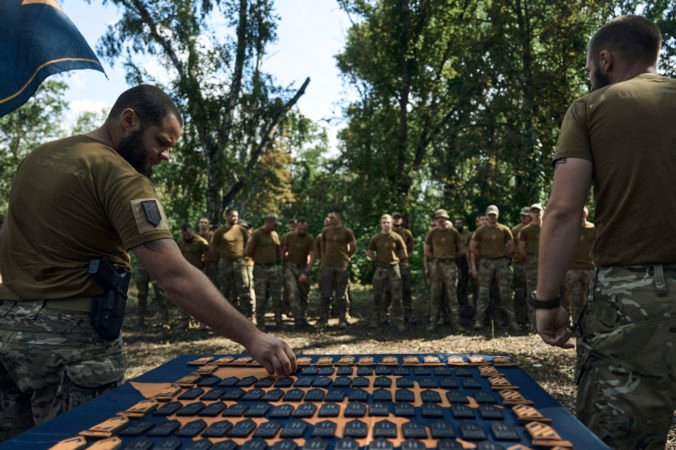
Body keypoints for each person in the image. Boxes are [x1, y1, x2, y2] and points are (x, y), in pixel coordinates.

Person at [0, 85, 295, 442]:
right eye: (161, 142)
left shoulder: (37, 158)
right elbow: (174, 275)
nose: (165, 154)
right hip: (71, 348)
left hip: (8, 337)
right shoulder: (121, 176)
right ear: (129, 120)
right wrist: (253, 338)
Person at [534, 16, 675, 449]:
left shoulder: (591, 108)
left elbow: (562, 212)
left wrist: (547, 302)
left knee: (615, 439)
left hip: (635, 299)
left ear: (605, 60)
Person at [470, 205, 519, 333]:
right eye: (490, 215)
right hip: (486, 263)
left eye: (494, 215)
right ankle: (479, 321)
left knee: (505, 293)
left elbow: (511, 245)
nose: (492, 217)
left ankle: (512, 321)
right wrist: (482, 257)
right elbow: (473, 246)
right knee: (483, 293)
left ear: (498, 215)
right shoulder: (480, 230)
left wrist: (505, 257)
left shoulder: (504, 229)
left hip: (501, 262)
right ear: (486, 216)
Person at [424, 209, 465, 332]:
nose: (441, 220)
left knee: (452, 295)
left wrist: (451, 258)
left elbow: (462, 250)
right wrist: (436, 259)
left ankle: (455, 322)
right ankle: (434, 322)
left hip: (450, 266)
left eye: (443, 218)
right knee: (435, 295)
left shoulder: (453, 233)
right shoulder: (432, 233)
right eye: (438, 218)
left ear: (447, 219)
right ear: (436, 220)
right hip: (436, 266)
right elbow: (427, 250)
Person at [209, 208, 252, 319]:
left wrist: (246, 256)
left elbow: (249, 243)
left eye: (237, 216)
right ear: (227, 216)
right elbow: (213, 247)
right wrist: (217, 260)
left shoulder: (242, 230)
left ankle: (247, 316)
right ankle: (225, 317)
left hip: (239, 262)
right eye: (233, 216)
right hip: (225, 262)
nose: (235, 218)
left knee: (243, 288)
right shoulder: (219, 231)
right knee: (225, 289)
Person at [368, 214, 407, 332]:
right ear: (381, 224)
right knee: (377, 295)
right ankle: (376, 319)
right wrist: (377, 260)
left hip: (393, 268)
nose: (386, 224)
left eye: (388, 222)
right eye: (384, 222)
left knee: (397, 296)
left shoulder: (396, 237)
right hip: (380, 269)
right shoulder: (376, 237)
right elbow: (370, 252)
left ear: (391, 223)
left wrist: (396, 261)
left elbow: (404, 253)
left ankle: (399, 321)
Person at [317, 209, 356, 328]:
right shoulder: (326, 231)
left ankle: (342, 319)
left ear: (339, 218)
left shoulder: (346, 231)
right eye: (329, 217)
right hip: (327, 266)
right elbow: (322, 246)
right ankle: (324, 320)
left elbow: (353, 246)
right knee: (325, 294)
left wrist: (347, 257)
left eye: (332, 217)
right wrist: (323, 259)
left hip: (341, 266)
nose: (330, 219)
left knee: (341, 294)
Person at [245, 214, 283, 330]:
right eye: (275, 224)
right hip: (260, 269)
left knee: (276, 296)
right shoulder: (257, 234)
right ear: (268, 222)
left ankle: (279, 322)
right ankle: (260, 324)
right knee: (261, 297)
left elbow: (278, 251)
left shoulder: (274, 234)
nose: (276, 226)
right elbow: (248, 251)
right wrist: (259, 259)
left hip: (273, 268)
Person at [562, 207, 595, 324]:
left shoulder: (593, 229)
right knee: (575, 299)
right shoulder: (569, 229)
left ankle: (591, 324)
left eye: (583, 213)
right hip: (573, 269)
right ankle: (577, 324)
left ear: (586, 214)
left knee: (592, 299)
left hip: (589, 268)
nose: (581, 215)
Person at [282, 218, 314, 328]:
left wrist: (306, 272)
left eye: (304, 229)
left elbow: (311, 255)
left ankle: (303, 316)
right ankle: (298, 319)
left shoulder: (309, 239)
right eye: (300, 228)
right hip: (290, 266)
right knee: (293, 292)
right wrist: (284, 264)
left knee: (304, 293)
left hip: (303, 266)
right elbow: (283, 251)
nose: (302, 231)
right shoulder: (288, 236)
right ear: (296, 227)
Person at [518, 203, 543, 330]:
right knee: (532, 292)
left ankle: (547, 323)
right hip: (532, 261)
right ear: (530, 214)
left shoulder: (548, 227)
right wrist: (529, 259)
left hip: (547, 262)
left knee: (550, 292)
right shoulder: (525, 230)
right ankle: (533, 323)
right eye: (534, 212)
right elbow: (521, 248)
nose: (537, 214)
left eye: (538, 211)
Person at [390, 212, 415, 324]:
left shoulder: (406, 233)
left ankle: (408, 313)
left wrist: (402, 257)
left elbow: (410, 248)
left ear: (402, 220)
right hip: (389, 263)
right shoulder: (387, 232)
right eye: (395, 218)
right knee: (388, 289)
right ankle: (388, 314)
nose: (397, 220)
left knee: (406, 288)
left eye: (398, 218)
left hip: (403, 262)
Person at [511, 207, 532, 328]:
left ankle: (531, 318)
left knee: (532, 292)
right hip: (519, 264)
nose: (523, 218)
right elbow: (511, 246)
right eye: (521, 216)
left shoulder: (536, 228)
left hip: (532, 263)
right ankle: (520, 318)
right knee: (519, 291)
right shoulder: (515, 229)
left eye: (525, 215)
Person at [453, 217, 471, 313]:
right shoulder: (451, 233)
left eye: (459, 223)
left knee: (463, 286)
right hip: (453, 263)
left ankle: (465, 307)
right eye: (456, 223)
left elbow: (467, 249)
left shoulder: (468, 234)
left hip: (464, 263)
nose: (458, 225)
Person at [197, 217, 218, 286]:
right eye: (201, 222)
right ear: (198, 224)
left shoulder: (213, 236)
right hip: (198, 263)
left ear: (208, 225)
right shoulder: (195, 237)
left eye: (205, 223)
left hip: (211, 263)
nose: (203, 224)